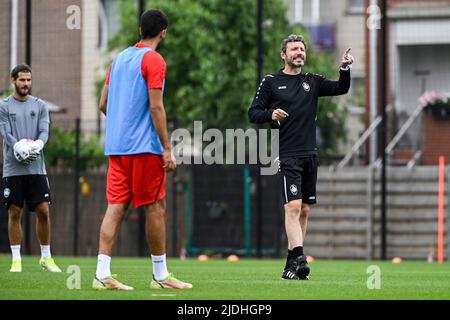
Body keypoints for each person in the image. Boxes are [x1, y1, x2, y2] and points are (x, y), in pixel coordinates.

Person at [93, 9, 192, 290]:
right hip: (144, 148)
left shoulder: (119, 58)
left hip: (116, 147)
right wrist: (167, 148)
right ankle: (160, 276)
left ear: (140, 30)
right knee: (155, 207)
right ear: (163, 32)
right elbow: (156, 106)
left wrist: (121, 126)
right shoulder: (154, 60)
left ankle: (102, 274)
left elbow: (103, 104)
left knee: (115, 207)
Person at [248, 35, 353, 280]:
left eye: (302, 49)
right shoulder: (271, 82)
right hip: (287, 155)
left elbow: (341, 87)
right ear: (283, 54)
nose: (299, 52)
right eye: (294, 49)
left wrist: (345, 68)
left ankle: (290, 266)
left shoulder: (312, 81)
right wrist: (271, 114)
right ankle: (300, 257)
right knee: (293, 206)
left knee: (304, 209)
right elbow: (253, 113)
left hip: (310, 155)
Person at [0, 64, 61, 273]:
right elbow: (5, 132)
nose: (26, 84)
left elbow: (45, 130)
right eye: (22, 80)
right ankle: (16, 260)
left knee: (43, 211)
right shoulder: (4, 105)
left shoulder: (40, 105)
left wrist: (37, 145)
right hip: (13, 169)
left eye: (29, 80)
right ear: (13, 81)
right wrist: (17, 145)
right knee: (14, 212)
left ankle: (46, 258)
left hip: (37, 168)